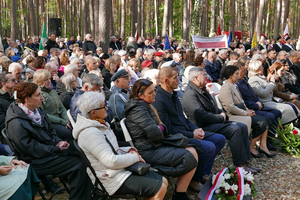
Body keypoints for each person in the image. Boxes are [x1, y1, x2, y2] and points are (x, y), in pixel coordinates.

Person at [5, 82, 93, 200]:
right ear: (27, 99)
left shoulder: (36, 110)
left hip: (48, 152)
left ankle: (88, 195)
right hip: (35, 161)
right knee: (80, 164)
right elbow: (30, 149)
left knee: (83, 153)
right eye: (38, 95)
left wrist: (58, 141)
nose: (42, 98)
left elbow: (51, 131)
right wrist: (56, 148)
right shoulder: (16, 122)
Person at [73, 92, 168, 200]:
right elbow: (111, 161)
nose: (107, 108)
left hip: (117, 171)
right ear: (93, 113)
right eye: (103, 106)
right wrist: (135, 157)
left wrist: (130, 150)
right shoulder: (91, 133)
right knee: (160, 187)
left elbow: (113, 149)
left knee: (163, 181)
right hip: (109, 178)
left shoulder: (99, 124)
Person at [152, 67, 226, 191]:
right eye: (175, 78)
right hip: (176, 137)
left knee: (219, 139)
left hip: (187, 131)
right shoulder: (159, 100)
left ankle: (201, 173)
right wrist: (192, 134)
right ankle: (194, 180)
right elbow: (168, 129)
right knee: (209, 147)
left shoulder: (172, 94)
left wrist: (197, 130)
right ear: (166, 80)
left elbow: (184, 119)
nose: (178, 80)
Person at [123, 79, 198, 199]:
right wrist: (161, 127)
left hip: (155, 145)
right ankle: (162, 172)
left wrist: (160, 127)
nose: (155, 94)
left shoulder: (145, 106)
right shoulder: (137, 110)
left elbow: (160, 130)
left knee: (193, 150)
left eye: (154, 91)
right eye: (150, 93)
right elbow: (156, 134)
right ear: (140, 95)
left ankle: (180, 194)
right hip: (147, 150)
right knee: (188, 156)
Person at [181, 67, 261, 173]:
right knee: (235, 129)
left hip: (213, 122)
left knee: (242, 126)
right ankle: (240, 165)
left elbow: (214, 107)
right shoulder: (190, 94)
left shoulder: (201, 89)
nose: (206, 77)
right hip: (202, 126)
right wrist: (220, 117)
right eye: (204, 75)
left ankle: (245, 161)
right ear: (196, 78)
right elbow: (202, 116)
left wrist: (221, 113)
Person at [219, 65, 277, 158]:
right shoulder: (226, 87)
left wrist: (248, 110)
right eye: (236, 74)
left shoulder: (232, 86)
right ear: (230, 75)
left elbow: (241, 102)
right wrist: (246, 113)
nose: (239, 76)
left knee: (266, 119)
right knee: (262, 122)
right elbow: (230, 108)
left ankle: (263, 146)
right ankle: (251, 147)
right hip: (233, 116)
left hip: (241, 113)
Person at [236, 62, 282, 149]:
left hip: (257, 104)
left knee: (277, 112)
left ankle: (270, 140)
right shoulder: (237, 84)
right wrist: (256, 105)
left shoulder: (244, 81)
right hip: (250, 108)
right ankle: (266, 143)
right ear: (237, 71)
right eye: (244, 70)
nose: (246, 71)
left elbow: (255, 95)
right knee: (270, 116)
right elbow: (243, 101)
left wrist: (259, 102)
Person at [248, 60, 300, 125]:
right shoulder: (252, 80)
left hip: (271, 99)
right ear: (256, 69)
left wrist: (275, 81)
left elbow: (273, 90)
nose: (263, 68)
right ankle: (286, 127)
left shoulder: (260, 77)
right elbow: (263, 94)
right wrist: (272, 83)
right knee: (287, 108)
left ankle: (292, 125)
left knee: (292, 106)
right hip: (264, 101)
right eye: (261, 67)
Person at [33, 69, 73, 140]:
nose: (49, 81)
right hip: (50, 123)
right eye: (46, 80)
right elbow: (43, 114)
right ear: (39, 81)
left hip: (61, 119)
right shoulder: (38, 94)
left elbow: (61, 107)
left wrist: (67, 120)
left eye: (49, 78)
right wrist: (62, 122)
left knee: (74, 127)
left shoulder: (52, 91)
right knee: (68, 133)